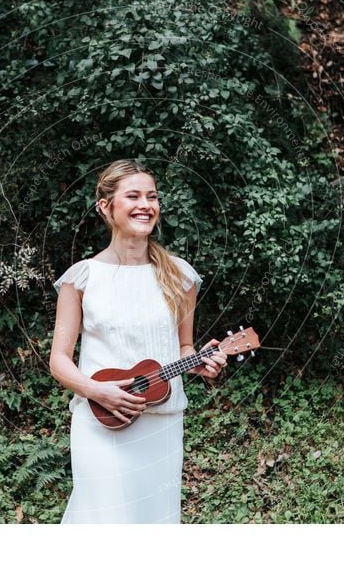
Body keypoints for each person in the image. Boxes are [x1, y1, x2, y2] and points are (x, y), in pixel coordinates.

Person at [49, 159, 227, 524]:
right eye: (133, 196)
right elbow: (59, 359)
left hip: (160, 424)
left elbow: (184, 349)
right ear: (106, 206)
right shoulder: (81, 278)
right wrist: (96, 391)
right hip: (100, 422)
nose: (146, 205)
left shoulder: (180, 276)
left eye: (152, 197)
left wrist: (203, 363)